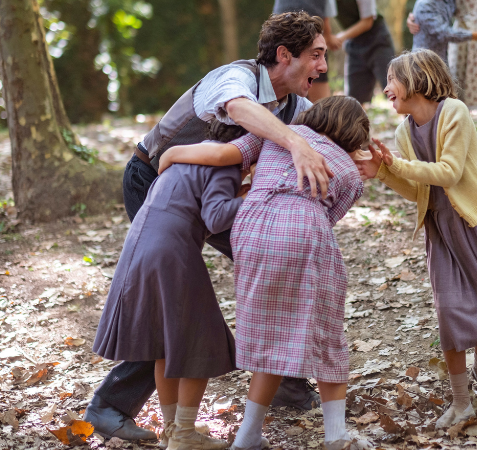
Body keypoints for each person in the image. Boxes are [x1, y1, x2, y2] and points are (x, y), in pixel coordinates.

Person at [84, 11, 329, 441]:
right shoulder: (234, 78)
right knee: (169, 303)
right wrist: (294, 144)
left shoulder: (295, 104)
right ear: (285, 55)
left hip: (210, 192)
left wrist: (364, 150)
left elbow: (327, 129)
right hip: (154, 183)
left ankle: (283, 378)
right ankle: (110, 405)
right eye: (316, 55)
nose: (323, 66)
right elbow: (239, 111)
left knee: (275, 261)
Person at [356, 50, 477, 428]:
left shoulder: (454, 113)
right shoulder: (404, 131)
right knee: (451, 313)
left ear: (416, 78)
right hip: (441, 230)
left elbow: (447, 173)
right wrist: (381, 170)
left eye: (391, 80)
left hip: (476, 222)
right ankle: (462, 402)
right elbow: (419, 188)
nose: (385, 89)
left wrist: (393, 163)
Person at [159, 95, 369, 450]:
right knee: (326, 333)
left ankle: (249, 435)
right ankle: (336, 436)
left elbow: (222, 155)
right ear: (353, 136)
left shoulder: (276, 133)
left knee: (271, 330)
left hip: (251, 229)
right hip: (303, 229)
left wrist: (170, 153)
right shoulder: (349, 173)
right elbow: (327, 219)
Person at [93, 121, 250, 450]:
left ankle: (172, 428)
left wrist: (240, 193)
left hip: (141, 242)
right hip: (170, 250)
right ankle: (183, 434)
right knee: (200, 339)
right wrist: (259, 197)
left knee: (165, 341)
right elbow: (218, 216)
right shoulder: (226, 164)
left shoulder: (190, 157)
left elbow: (198, 202)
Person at [407, 0, 477, 181]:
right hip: (460, 40)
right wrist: (414, 16)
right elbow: (438, 6)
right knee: (454, 102)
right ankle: (454, 162)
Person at [327, 0, 395, 104]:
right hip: (354, 43)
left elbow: (367, 22)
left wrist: (340, 37)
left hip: (378, 40)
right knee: (353, 100)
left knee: (396, 88)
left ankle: (412, 120)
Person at [273, 0, 339, 101]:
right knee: (320, 104)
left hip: (279, 36)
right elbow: (325, 24)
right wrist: (330, 38)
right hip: (310, 38)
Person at [411, 0, 477, 62]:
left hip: (441, 60)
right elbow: (445, 34)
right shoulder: (425, 5)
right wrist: (475, 35)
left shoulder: (448, 2)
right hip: (423, 62)